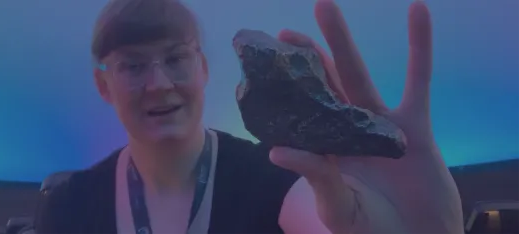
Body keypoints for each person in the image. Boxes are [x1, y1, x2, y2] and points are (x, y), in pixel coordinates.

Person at [35, 0, 464, 233]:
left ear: (203, 69)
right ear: (103, 85)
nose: (159, 82)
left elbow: (320, 220)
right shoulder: (69, 207)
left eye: (175, 58)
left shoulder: (278, 178)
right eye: (132, 65)